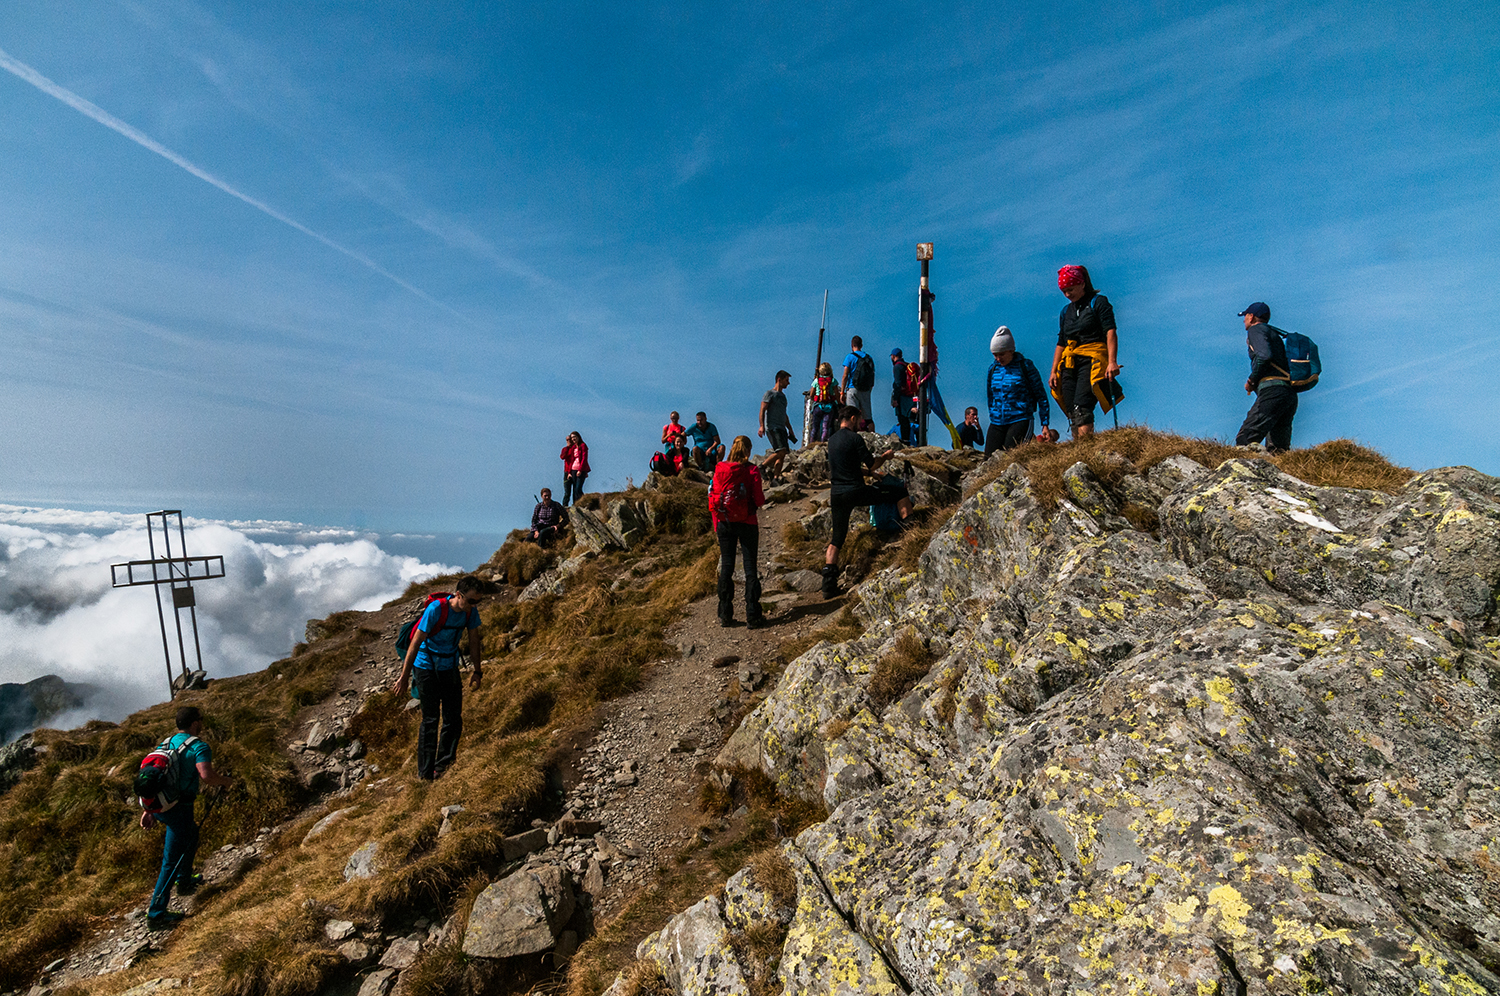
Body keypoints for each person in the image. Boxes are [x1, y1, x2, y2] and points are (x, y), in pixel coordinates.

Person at [141, 705, 232, 929]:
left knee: (192, 835)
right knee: (170, 860)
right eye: (200, 719)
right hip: (178, 807)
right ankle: (156, 914)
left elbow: (155, 775)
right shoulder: (199, 746)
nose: (202, 722)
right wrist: (226, 781)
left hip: (161, 805)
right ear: (194, 723)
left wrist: (149, 810)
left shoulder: (166, 742)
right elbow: (206, 776)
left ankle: (184, 881)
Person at [391, 576, 484, 781]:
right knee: (430, 720)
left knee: (453, 718)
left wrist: (477, 671)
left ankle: (443, 766)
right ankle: (424, 774)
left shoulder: (470, 612)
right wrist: (404, 677)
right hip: (425, 667)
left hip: (449, 667)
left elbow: (474, 641)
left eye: (477, 601)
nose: (474, 605)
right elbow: (415, 643)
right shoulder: (436, 609)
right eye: (471, 600)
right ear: (458, 595)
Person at [822, 406, 913, 598]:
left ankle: (828, 585)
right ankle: (910, 531)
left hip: (837, 494)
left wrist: (869, 473)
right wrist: (885, 458)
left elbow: (846, 468)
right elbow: (872, 463)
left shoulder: (831, 440)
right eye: (859, 420)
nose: (860, 424)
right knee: (898, 492)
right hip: (857, 491)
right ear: (853, 418)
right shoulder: (855, 438)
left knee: (837, 539)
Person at [1050, 265, 1122, 439]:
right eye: (1064, 291)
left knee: (1082, 405)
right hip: (1069, 362)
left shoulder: (1098, 302)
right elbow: (1061, 342)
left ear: (1082, 284)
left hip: (1092, 359)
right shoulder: (1065, 312)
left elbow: (1110, 331)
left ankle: (1085, 447)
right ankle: (1079, 447)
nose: (1067, 294)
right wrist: (1053, 371)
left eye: (1070, 289)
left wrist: (1112, 361)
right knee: (1070, 407)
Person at [708, 436, 767, 628]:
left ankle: (725, 614)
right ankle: (753, 615)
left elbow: (714, 496)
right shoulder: (751, 470)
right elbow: (759, 500)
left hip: (724, 522)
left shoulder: (720, 469)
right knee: (750, 568)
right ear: (748, 450)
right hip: (748, 522)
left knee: (727, 567)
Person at [1235, 302, 1297, 452]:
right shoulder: (1273, 334)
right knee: (1278, 450)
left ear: (1251, 317)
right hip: (1288, 394)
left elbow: (1264, 356)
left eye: (1245, 316)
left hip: (1272, 392)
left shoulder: (1256, 330)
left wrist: (1252, 380)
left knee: (1245, 439)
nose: (1244, 320)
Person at [986, 326, 1051, 455]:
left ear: (1011, 350)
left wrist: (1045, 424)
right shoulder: (993, 369)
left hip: (1021, 419)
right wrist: (993, 413)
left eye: (1002, 354)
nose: (998, 358)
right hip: (997, 421)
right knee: (988, 460)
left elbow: (1040, 395)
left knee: (1010, 456)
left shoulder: (1025, 366)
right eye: (995, 355)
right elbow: (990, 396)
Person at [758, 370, 797, 480]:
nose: (788, 383)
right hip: (773, 427)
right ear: (779, 379)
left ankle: (776, 478)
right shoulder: (769, 394)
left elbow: (785, 415)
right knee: (780, 451)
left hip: (782, 427)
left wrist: (790, 430)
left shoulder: (783, 397)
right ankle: (762, 466)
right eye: (786, 380)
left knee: (782, 454)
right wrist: (761, 426)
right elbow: (762, 409)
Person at [840, 336, 876, 430]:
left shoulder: (850, 357)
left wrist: (842, 392)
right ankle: (874, 436)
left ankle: (853, 435)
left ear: (852, 345)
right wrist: (869, 389)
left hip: (853, 388)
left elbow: (845, 375)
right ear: (861, 345)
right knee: (868, 417)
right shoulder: (869, 358)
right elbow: (872, 375)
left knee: (852, 414)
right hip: (865, 389)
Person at [809, 362, 842, 442]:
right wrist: (839, 404)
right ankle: (824, 442)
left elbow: (811, 394)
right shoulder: (833, 381)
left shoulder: (816, 381)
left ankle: (811, 442)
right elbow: (837, 394)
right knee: (825, 427)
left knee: (815, 427)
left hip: (818, 406)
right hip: (829, 406)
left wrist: (815, 399)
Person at [890, 348, 916, 443]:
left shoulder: (897, 367)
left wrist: (895, 398)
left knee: (902, 418)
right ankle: (907, 439)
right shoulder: (906, 365)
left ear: (893, 356)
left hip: (901, 396)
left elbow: (898, 383)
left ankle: (905, 440)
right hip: (909, 396)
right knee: (907, 419)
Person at [560, 431, 590, 507]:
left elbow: (584, 458)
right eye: (569, 439)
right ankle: (566, 506)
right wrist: (567, 446)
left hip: (578, 469)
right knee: (568, 491)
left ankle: (579, 503)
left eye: (573, 438)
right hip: (569, 471)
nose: (571, 441)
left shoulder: (581, 446)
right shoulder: (568, 449)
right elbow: (563, 457)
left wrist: (582, 470)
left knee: (577, 489)